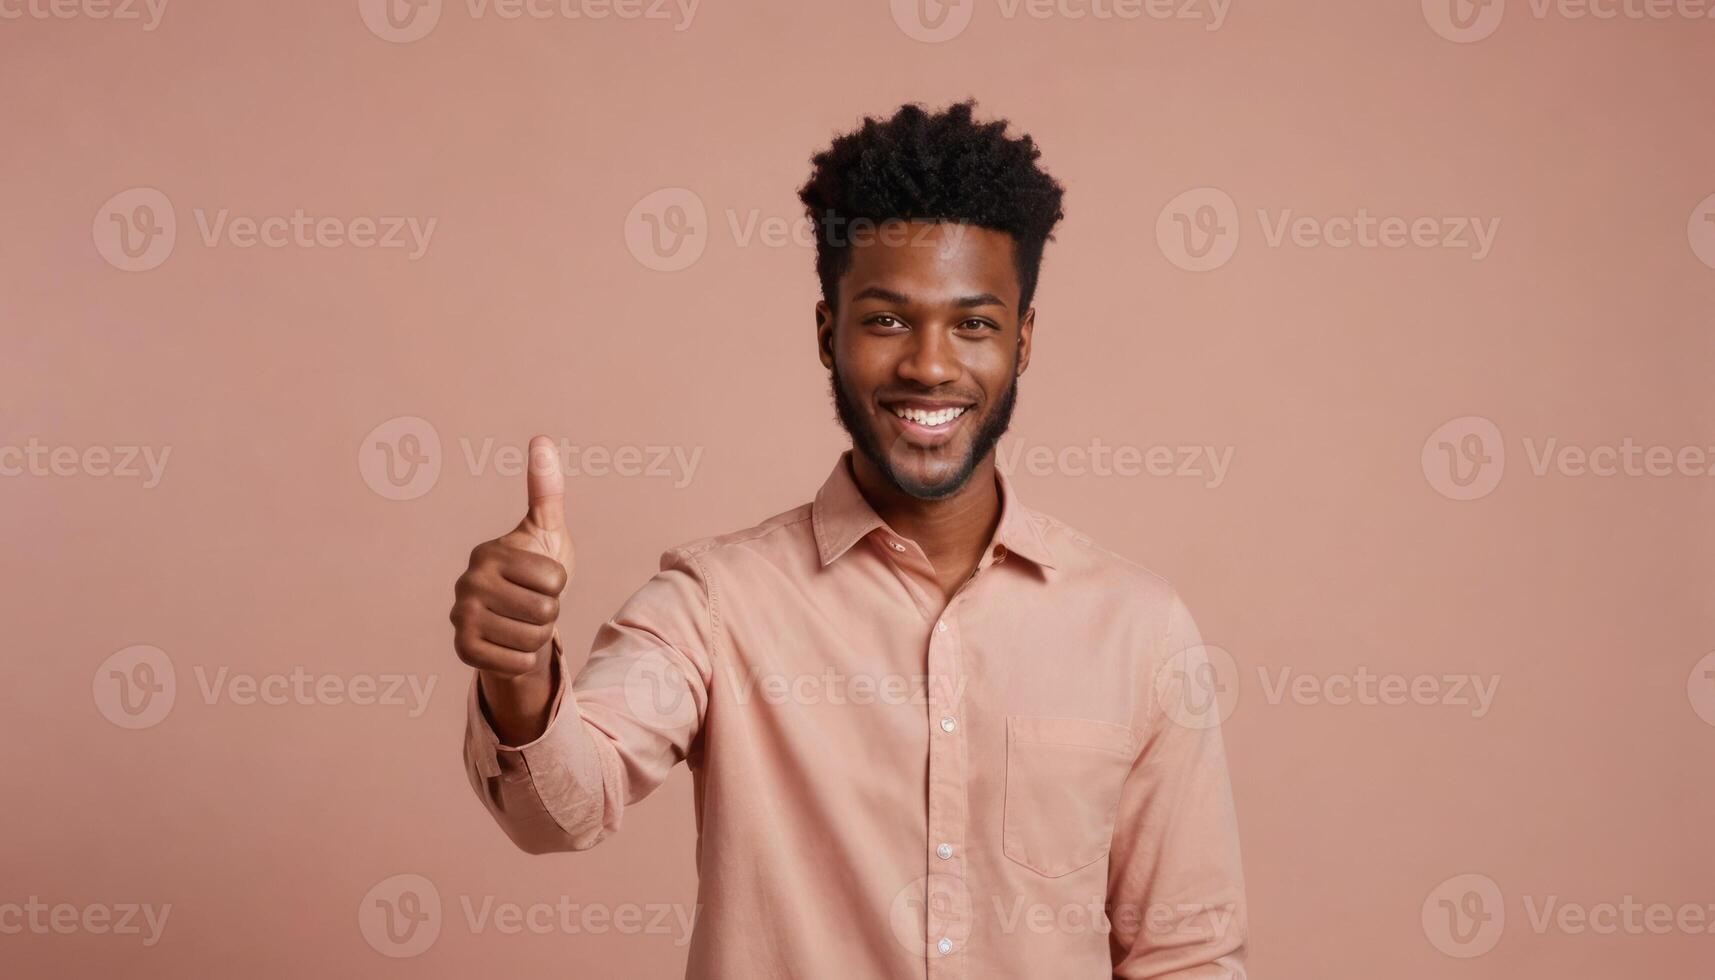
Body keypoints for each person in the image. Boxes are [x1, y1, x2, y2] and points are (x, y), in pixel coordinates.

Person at [450, 99, 1247, 978]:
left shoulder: (1137, 629)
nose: (930, 365)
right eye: (887, 320)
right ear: (827, 333)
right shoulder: (716, 606)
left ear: (1021, 343)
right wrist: (517, 670)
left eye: (973, 324)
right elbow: (559, 810)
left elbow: (1185, 955)